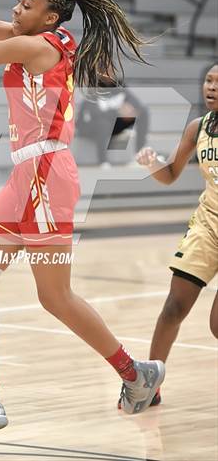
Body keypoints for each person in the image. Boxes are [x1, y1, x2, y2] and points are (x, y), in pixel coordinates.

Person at [0, 0, 165, 438]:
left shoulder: (41, 48)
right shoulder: (34, 37)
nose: (16, 9)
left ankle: (134, 373)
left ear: (50, 16)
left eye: (26, 3)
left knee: (54, 297)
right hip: (24, 176)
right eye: (17, 0)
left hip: (45, 176)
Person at [118, 63, 217, 409]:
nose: (211, 87)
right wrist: (153, 163)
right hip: (208, 223)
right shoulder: (198, 127)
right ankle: (149, 384)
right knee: (174, 306)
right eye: (208, 80)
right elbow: (171, 173)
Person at [76, 72, 149, 168]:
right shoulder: (94, 91)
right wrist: (117, 111)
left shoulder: (120, 89)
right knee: (102, 123)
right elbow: (95, 115)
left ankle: (139, 152)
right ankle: (103, 161)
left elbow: (137, 105)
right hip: (89, 126)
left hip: (110, 123)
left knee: (143, 113)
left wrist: (130, 109)